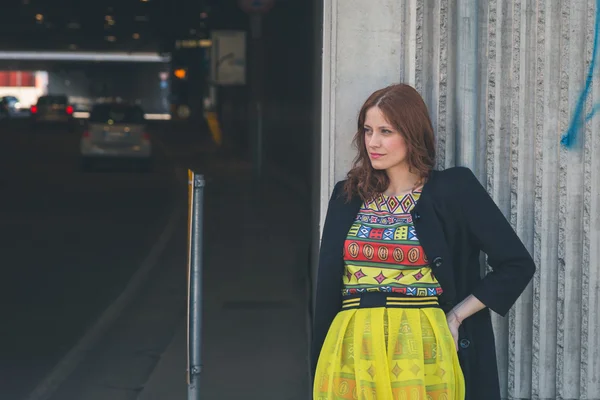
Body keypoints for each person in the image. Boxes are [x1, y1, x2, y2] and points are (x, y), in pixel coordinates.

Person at [311, 83, 535, 400]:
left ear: (412, 134)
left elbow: (517, 264)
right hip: (351, 350)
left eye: (386, 131)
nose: (373, 142)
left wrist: (456, 316)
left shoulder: (453, 189)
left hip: (424, 350)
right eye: (368, 130)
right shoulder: (347, 196)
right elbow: (328, 290)